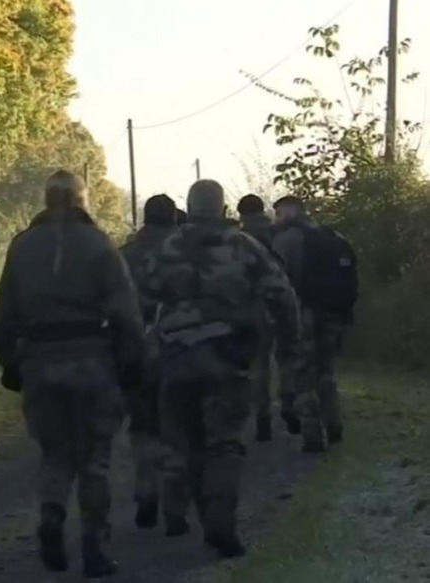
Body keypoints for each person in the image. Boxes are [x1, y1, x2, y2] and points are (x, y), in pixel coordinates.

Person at [0, 170, 144, 578]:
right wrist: (133, 363)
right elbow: (126, 313)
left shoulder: (22, 246)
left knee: (56, 453)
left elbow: (3, 313)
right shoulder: (99, 245)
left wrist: (9, 361)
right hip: (92, 360)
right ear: (82, 199)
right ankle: (94, 547)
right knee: (95, 458)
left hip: (40, 361)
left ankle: (52, 514)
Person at [141, 180, 300, 557]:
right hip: (226, 358)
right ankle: (221, 522)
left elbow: (140, 302)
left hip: (176, 360)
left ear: (190, 206)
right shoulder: (244, 247)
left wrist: (141, 352)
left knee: (189, 442)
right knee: (226, 443)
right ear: (224, 208)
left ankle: (199, 513)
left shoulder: (167, 249)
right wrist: (288, 345)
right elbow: (282, 295)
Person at [272, 195, 356, 452]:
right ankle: (334, 425)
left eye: (279, 213)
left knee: (304, 375)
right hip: (334, 315)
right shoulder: (334, 236)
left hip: (304, 315)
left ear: (287, 212)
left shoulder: (287, 239)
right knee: (327, 371)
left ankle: (312, 435)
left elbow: (280, 283)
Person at [119, 194, 180, 531]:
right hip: (180, 350)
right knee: (177, 425)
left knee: (143, 425)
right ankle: (174, 501)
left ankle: (146, 488)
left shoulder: (124, 255)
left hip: (138, 350)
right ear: (173, 218)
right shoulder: (185, 253)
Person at [236, 194, 277, 442]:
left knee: (240, 366)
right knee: (264, 364)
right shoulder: (278, 234)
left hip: (241, 310)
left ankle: (242, 415)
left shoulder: (239, 241)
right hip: (270, 307)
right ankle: (265, 413)